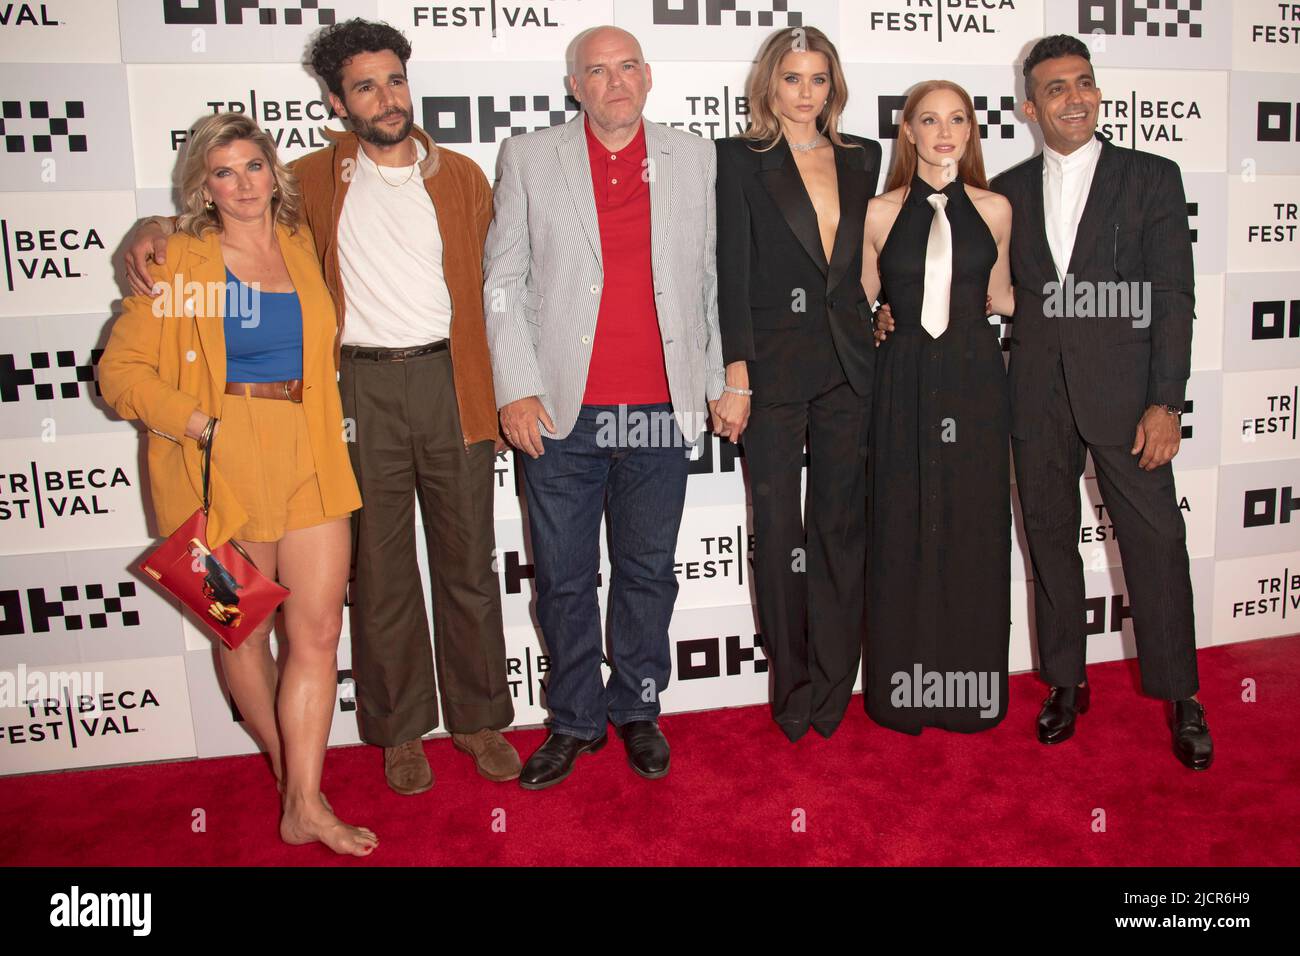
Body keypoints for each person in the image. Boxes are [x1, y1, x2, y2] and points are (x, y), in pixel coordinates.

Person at [123, 19, 521, 796]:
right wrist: (153, 228)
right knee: (378, 573)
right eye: (365, 86)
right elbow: (228, 216)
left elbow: (504, 286)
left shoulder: (465, 176)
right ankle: (400, 730)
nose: (386, 97)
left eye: (395, 80)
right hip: (355, 393)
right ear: (339, 102)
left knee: (469, 562)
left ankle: (476, 718)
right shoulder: (307, 181)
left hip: (453, 382)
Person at [100, 113, 376, 855]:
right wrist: (199, 426)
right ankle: (301, 793)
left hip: (311, 446)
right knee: (244, 627)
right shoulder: (176, 261)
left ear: (272, 171)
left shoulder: (298, 243)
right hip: (220, 456)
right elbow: (119, 373)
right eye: (223, 172)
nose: (243, 184)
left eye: (253, 166)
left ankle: (303, 802)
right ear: (203, 184)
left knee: (317, 631)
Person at [483, 25, 725, 789]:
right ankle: (575, 719)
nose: (615, 83)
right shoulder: (529, 157)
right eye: (598, 71)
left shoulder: (694, 155)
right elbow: (502, 283)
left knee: (648, 571)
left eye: (628, 68)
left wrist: (722, 381)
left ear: (647, 77)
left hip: (661, 406)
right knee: (561, 576)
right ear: (574, 85)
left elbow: (711, 279)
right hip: (562, 410)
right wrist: (515, 387)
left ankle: (638, 709)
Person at [991, 36, 1211, 768]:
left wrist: (1165, 403)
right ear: (1030, 106)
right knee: (1050, 544)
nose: (1075, 97)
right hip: (1037, 396)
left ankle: (1183, 695)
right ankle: (1065, 681)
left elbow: (1173, 297)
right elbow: (984, 288)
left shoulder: (1151, 177)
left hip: (1128, 400)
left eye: (1084, 83)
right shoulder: (1010, 191)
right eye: (1056, 88)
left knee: (1155, 545)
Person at [714, 26, 881, 741]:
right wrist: (736, 370)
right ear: (769, 85)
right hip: (773, 370)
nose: (805, 93)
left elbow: (874, 255)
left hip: (850, 364)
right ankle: (792, 686)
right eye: (792, 79)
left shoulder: (864, 157)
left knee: (839, 529)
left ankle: (835, 682)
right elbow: (727, 271)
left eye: (818, 79)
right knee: (781, 530)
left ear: (833, 86)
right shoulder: (737, 160)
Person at [861, 81, 1014, 734]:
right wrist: (871, 325)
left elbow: (1006, 297)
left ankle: (968, 689)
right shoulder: (877, 211)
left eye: (958, 119)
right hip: (901, 385)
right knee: (901, 525)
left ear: (972, 131)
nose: (944, 131)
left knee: (973, 529)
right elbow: (857, 304)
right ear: (909, 132)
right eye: (929, 119)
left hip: (976, 381)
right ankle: (903, 693)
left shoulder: (997, 208)